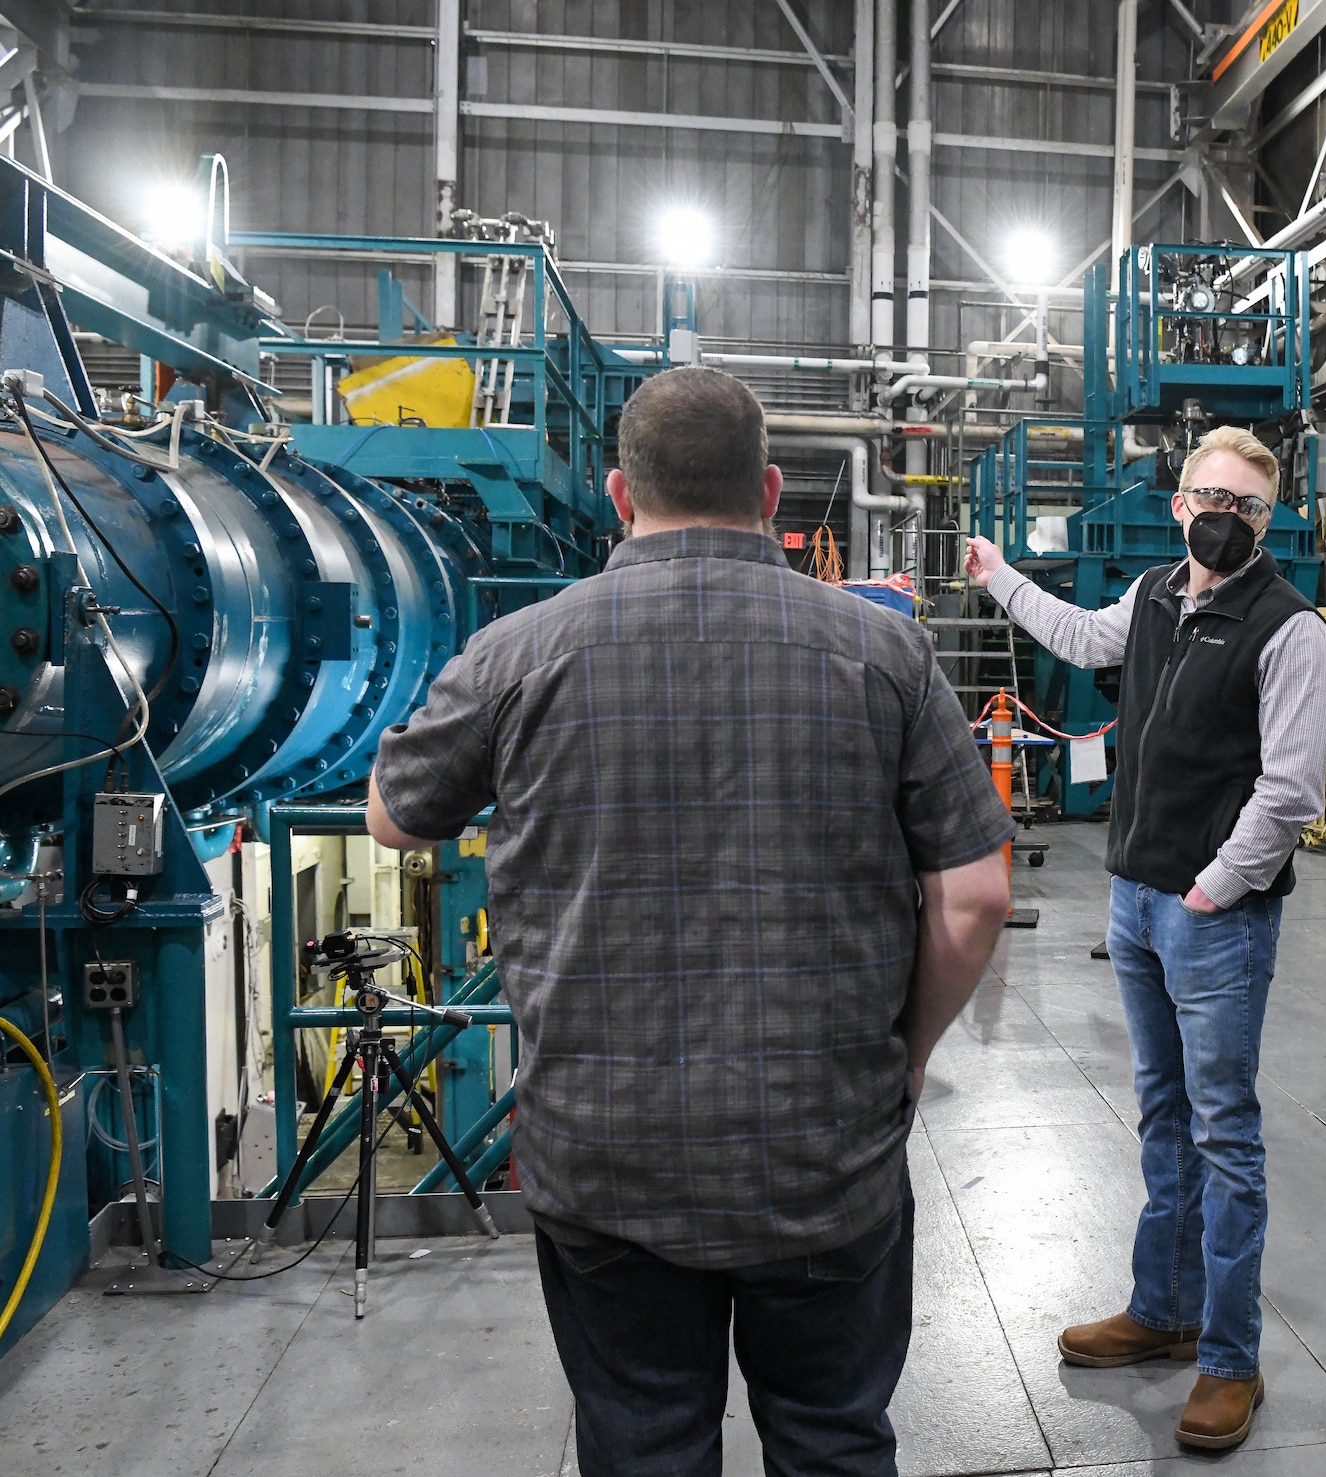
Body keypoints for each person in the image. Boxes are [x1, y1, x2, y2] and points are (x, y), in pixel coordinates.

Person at [366, 366, 1016, 1477]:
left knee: (643, 1444)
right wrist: (901, 1060)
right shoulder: (886, 653)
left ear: (619, 494)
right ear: (769, 491)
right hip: (826, 1150)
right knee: (831, 1441)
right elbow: (976, 894)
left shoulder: (518, 652)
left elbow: (391, 818)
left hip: (604, 1156)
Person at [964, 424, 1326, 1450]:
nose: (1223, 517)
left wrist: (1215, 887)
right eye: (1208, 497)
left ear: (1268, 521)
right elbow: (1085, 640)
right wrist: (999, 578)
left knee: (1224, 1136)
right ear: (1178, 503)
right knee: (1161, 1115)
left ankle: (1227, 1359)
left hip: (1211, 918)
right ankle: (1161, 1309)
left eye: (1247, 506)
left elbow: (1290, 790)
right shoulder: (1153, 597)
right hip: (1133, 901)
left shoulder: (1290, 630)